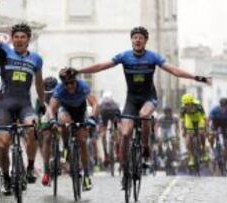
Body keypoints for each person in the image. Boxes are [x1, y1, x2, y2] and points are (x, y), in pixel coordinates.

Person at [75, 26, 210, 173]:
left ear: (145, 41)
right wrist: (79, 71)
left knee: (144, 115)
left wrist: (198, 77)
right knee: (125, 134)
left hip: (148, 98)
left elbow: (174, 71)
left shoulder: (152, 57)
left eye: (141, 38)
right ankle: (124, 166)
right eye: (135, 37)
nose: (137, 40)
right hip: (132, 100)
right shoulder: (125, 56)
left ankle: (145, 148)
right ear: (131, 40)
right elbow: (101, 66)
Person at [0, 0, 45, 195]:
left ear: (28, 39)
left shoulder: (36, 59)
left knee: (33, 128)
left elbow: (39, 83)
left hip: (25, 104)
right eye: (16, 36)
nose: (19, 39)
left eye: (23, 37)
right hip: (6, 105)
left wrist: (42, 103)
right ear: (12, 39)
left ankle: (30, 167)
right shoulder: (5, 52)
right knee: (2, 143)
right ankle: (6, 177)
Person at [48, 67, 99, 191]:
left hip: (81, 111)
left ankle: (86, 175)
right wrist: (52, 120)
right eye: (66, 84)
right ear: (63, 83)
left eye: (72, 82)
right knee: (65, 122)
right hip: (66, 110)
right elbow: (51, 108)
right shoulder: (59, 89)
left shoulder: (83, 86)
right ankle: (65, 146)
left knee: (82, 141)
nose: (70, 86)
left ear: (76, 81)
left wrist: (92, 117)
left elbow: (95, 103)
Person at [37, 76, 58, 186]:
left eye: (52, 92)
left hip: (59, 114)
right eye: (47, 92)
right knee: (47, 136)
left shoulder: (61, 93)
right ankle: (46, 170)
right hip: (45, 115)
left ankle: (64, 153)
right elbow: (37, 113)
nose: (49, 95)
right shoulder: (39, 98)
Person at [180, 93, 209, 166]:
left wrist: (205, 128)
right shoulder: (183, 109)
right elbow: (182, 121)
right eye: (185, 104)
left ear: (192, 103)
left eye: (188, 104)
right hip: (189, 120)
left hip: (199, 119)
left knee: (202, 133)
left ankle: (204, 152)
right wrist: (183, 130)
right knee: (189, 138)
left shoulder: (199, 107)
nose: (186, 106)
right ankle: (191, 157)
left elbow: (205, 118)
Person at [98, 90, 121, 167]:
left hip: (103, 111)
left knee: (103, 132)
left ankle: (106, 155)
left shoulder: (101, 102)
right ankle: (118, 152)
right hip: (114, 111)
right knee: (117, 129)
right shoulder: (114, 103)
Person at [209, 98, 227, 170]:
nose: (223, 107)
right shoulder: (215, 109)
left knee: (226, 143)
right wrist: (207, 128)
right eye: (222, 105)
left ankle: (226, 161)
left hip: (225, 126)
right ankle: (212, 149)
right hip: (215, 125)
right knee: (211, 136)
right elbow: (209, 119)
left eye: (225, 106)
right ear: (220, 105)